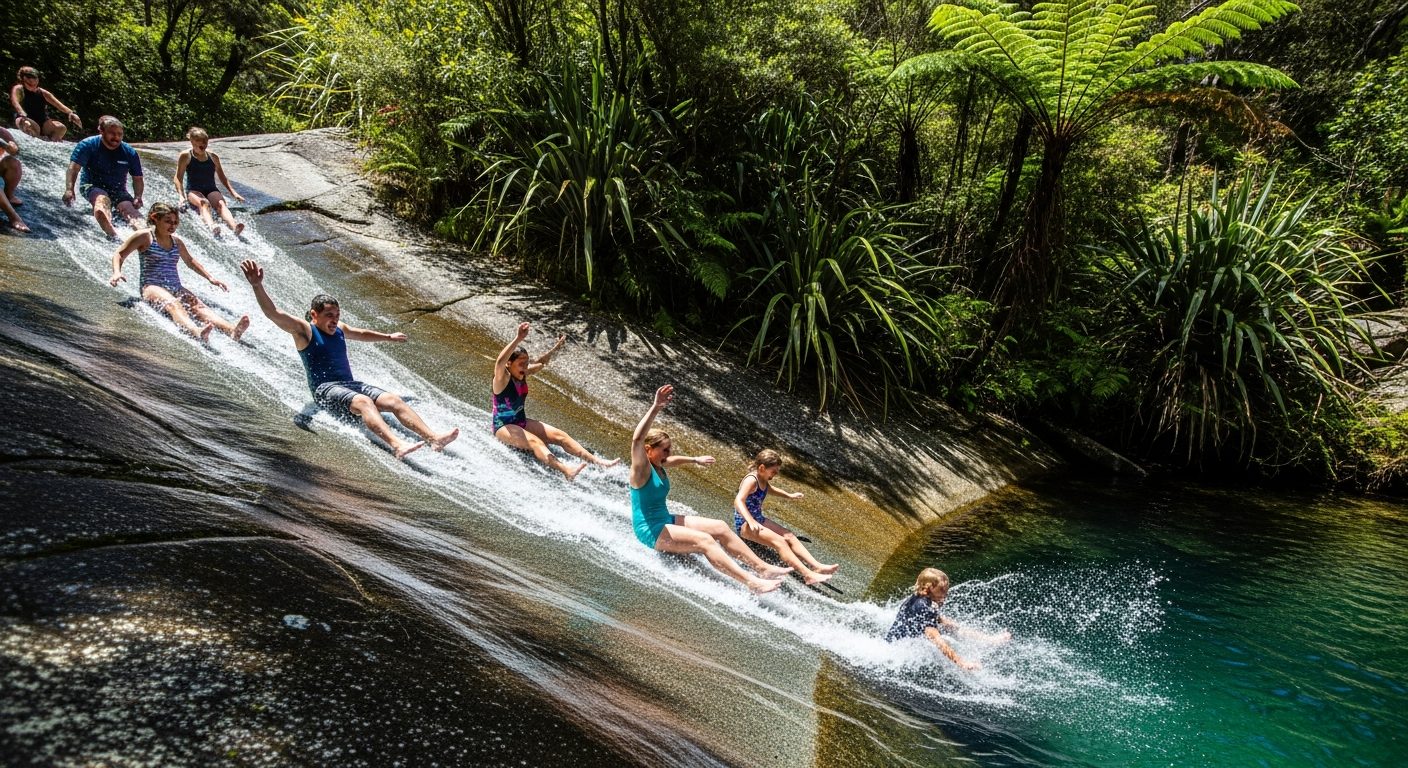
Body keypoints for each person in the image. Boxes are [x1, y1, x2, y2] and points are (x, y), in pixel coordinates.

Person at [239, 259, 460, 460]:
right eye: (329, 315)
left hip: (349, 385)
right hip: (325, 390)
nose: (334, 320)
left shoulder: (339, 329)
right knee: (364, 402)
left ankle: (434, 438)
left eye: (337, 315)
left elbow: (361, 333)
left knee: (393, 400)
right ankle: (397, 445)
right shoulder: (304, 331)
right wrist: (257, 285)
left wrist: (388, 337)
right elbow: (273, 313)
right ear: (314, 315)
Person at [630, 384, 791, 594]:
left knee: (720, 527)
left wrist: (694, 459)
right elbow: (637, 439)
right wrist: (655, 407)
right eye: (665, 449)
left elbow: (672, 460)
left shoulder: (659, 464)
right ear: (648, 450)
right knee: (704, 540)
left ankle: (763, 568)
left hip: (665, 519)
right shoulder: (641, 469)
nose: (668, 453)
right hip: (650, 530)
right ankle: (752, 582)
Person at [492, 322, 618, 480]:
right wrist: (518, 338)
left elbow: (541, 363)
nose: (525, 367)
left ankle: (598, 462)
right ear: (509, 364)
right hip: (503, 427)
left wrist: (557, 347)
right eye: (521, 364)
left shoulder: (523, 373)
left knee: (560, 435)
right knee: (536, 442)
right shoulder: (502, 379)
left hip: (521, 422)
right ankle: (567, 471)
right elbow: (499, 362)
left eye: (526, 363)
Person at [109, 202, 249, 342]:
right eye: (168, 221)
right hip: (151, 286)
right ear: (155, 218)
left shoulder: (177, 242)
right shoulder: (144, 236)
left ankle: (232, 330)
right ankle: (196, 331)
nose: (172, 226)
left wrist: (210, 278)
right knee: (173, 303)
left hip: (175, 286)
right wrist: (116, 272)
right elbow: (119, 254)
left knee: (198, 306)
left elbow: (190, 261)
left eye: (175, 222)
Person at [732, 449, 839, 586]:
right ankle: (808, 575)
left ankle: (817, 566)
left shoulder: (763, 479)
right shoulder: (751, 480)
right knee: (780, 542)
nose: (775, 474)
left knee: (789, 535)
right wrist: (750, 521)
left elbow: (772, 490)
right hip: (745, 524)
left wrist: (789, 495)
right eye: (773, 471)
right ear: (762, 468)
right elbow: (738, 501)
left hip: (758, 519)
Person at [886, 568, 1010, 671]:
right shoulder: (923, 607)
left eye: (946, 589)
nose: (946, 594)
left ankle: (989, 639)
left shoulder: (917, 597)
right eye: (942, 590)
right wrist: (962, 663)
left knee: (952, 627)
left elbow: (936, 619)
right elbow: (935, 638)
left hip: (893, 641)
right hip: (899, 649)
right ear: (928, 588)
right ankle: (983, 644)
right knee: (944, 638)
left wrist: (951, 625)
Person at [63, 115, 143, 237]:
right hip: (91, 185)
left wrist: (138, 196)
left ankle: (147, 233)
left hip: (118, 189)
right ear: (101, 131)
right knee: (101, 198)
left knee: (128, 207)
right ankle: (112, 233)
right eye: (112, 133)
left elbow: (137, 178)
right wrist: (69, 189)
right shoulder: (88, 145)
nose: (116, 137)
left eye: (120, 134)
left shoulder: (129, 152)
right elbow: (73, 168)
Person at [173, 127, 245, 237]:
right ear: (191, 141)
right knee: (203, 202)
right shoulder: (186, 156)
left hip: (211, 189)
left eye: (205, 141)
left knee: (221, 204)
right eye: (199, 141)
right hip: (194, 190)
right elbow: (178, 177)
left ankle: (234, 227)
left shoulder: (213, 157)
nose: (203, 143)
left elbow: (222, 176)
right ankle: (212, 226)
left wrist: (233, 193)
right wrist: (181, 196)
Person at [9, 66, 81, 141]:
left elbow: (59, 105)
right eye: (29, 77)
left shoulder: (42, 92)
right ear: (23, 79)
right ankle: (36, 138)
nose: (32, 80)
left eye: (34, 77)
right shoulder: (19, 89)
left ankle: (52, 141)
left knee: (61, 128)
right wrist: (22, 113)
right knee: (27, 124)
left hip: (43, 123)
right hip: (26, 119)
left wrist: (70, 113)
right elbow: (15, 102)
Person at [0, 127, 27, 232]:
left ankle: (8, 196)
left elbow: (16, 152)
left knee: (13, 163)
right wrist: (5, 145)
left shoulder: (2, 132)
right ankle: (13, 217)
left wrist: (14, 148)